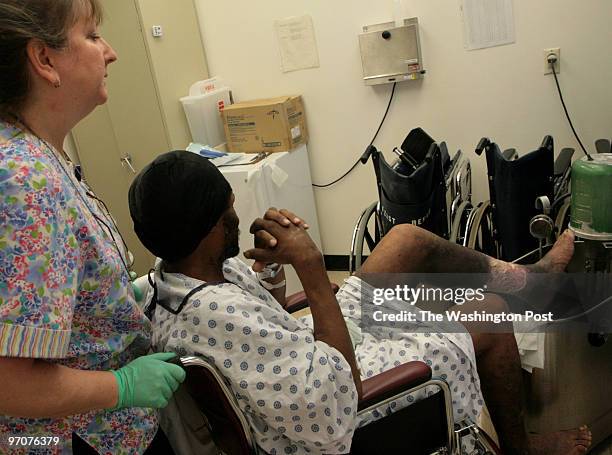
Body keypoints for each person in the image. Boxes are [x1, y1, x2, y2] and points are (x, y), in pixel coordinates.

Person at [129, 151, 593, 455]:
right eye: (230, 208)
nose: (237, 214)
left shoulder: (178, 274)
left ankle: (531, 277)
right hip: (342, 389)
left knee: (405, 241)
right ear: (210, 225)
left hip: (309, 355)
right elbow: (332, 406)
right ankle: (521, 448)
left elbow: (263, 319)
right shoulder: (217, 318)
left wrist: (272, 268)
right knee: (488, 316)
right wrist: (312, 268)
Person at [0, 1, 185, 453]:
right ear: (44, 60)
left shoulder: (42, 155)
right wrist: (121, 386)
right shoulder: (24, 179)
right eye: (93, 35)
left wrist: (118, 296)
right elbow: (10, 380)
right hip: (80, 438)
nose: (111, 52)